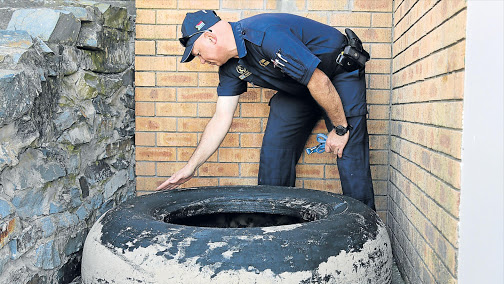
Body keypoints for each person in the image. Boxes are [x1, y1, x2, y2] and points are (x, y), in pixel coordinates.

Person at [156, 10, 376, 210]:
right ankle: (274, 229)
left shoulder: (264, 34)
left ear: (210, 37)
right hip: (299, 88)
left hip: (335, 75)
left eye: (199, 54)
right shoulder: (229, 67)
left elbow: (320, 82)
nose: (202, 61)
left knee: (349, 154)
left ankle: (366, 232)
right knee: (274, 155)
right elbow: (221, 117)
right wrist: (190, 167)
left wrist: (340, 128)